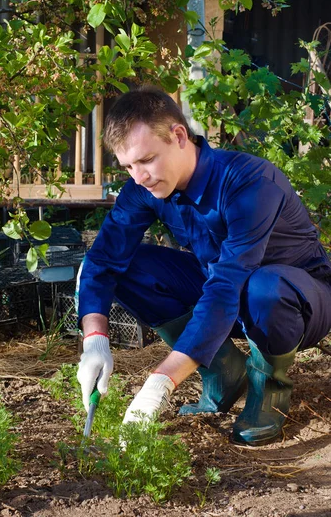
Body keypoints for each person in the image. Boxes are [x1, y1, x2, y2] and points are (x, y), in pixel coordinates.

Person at [76, 87, 331, 446]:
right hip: (223, 285)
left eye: (146, 160)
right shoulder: (145, 188)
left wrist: (162, 380)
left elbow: (229, 284)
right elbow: (102, 260)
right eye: (128, 166)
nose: (139, 177)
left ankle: (269, 387)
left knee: (262, 287)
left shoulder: (249, 183)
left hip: (297, 298)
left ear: (179, 136)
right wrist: (95, 338)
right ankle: (223, 372)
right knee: (126, 266)